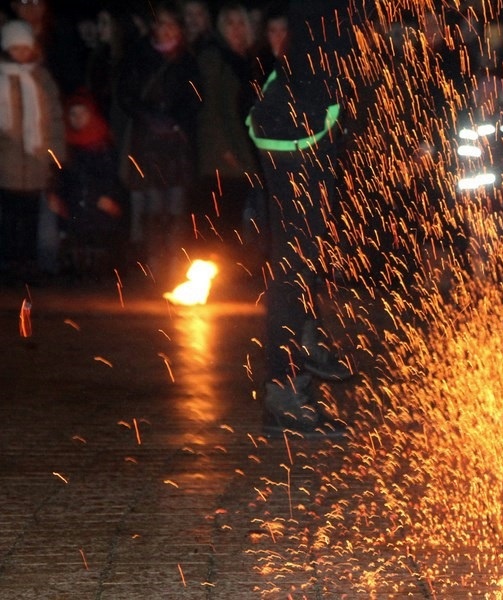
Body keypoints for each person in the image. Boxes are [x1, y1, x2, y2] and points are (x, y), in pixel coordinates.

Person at [246, 0, 355, 436]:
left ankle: (304, 348)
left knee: (303, 257)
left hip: (301, 119)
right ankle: (284, 393)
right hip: (297, 129)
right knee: (294, 262)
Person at [116, 2, 201, 281]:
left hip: (176, 143)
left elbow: (195, 98)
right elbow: (126, 95)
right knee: (152, 205)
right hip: (149, 141)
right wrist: (150, 117)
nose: (165, 30)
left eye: (170, 24)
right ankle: (152, 262)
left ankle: (176, 260)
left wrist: (175, 120)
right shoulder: (138, 56)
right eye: (160, 24)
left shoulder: (187, 60)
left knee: (176, 205)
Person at [0, 19, 65, 284]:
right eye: (15, 48)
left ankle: (28, 264)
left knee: (30, 218)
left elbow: (54, 119)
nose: (21, 53)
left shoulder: (42, 78)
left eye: (25, 47)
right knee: (8, 217)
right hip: (6, 164)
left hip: (36, 162)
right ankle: (8, 262)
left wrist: (55, 155)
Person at [194, 2, 260, 259]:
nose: (236, 29)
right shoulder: (215, 57)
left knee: (236, 211)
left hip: (244, 146)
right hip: (223, 153)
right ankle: (217, 269)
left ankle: (230, 267)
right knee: (222, 213)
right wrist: (224, 148)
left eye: (240, 22)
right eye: (230, 23)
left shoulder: (247, 60)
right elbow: (210, 107)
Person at [50, 89, 127, 279]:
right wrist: (56, 195)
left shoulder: (103, 143)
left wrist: (108, 198)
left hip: (100, 202)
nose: (77, 118)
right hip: (75, 202)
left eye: (82, 113)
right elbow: (61, 176)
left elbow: (111, 176)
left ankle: (101, 273)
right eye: (73, 114)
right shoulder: (66, 144)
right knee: (77, 239)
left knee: (99, 239)